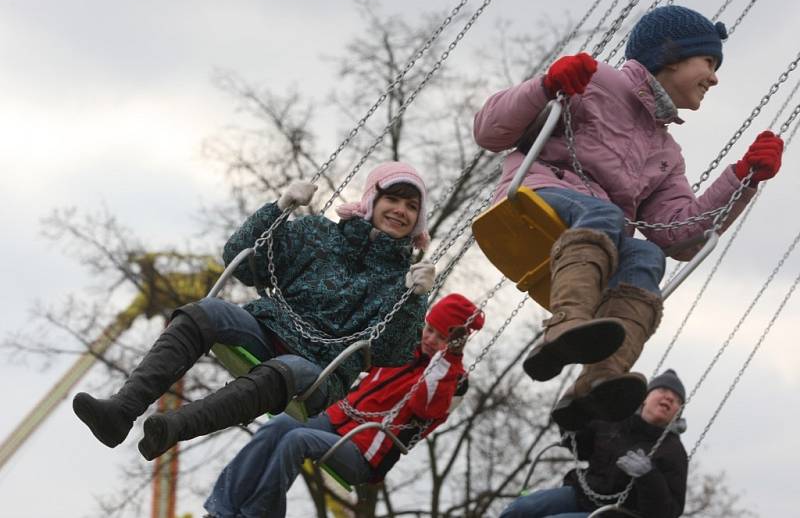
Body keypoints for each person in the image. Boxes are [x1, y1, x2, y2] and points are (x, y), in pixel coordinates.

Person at [472, 5, 784, 429]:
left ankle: (602, 377)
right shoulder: (596, 81)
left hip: (592, 240)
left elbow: (677, 237)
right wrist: (547, 87)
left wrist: (742, 180)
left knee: (646, 257)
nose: (714, 77)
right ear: (670, 55)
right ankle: (567, 324)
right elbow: (490, 131)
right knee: (605, 216)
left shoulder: (666, 154)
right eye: (709, 62)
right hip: (538, 199)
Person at [72, 161, 437, 461]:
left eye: (411, 207)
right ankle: (120, 412)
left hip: (320, 371)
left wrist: (416, 298)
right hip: (269, 327)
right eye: (395, 199)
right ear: (373, 199)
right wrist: (277, 210)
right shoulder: (317, 234)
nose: (401, 211)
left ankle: (173, 428)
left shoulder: (400, 284)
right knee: (207, 311)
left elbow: (394, 352)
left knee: (286, 370)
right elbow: (241, 261)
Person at [202, 293, 484, 518]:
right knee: (278, 425)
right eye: (430, 330)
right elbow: (378, 332)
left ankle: (257, 514)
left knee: (296, 440)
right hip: (337, 419)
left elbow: (427, 408)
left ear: (455, 343)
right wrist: (413, 293)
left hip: (366, 452)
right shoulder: (405, 347)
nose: (431, 340)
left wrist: (449, 359)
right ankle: (222, 509)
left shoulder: (453, 379)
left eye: (442, 338)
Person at [500, 369, 688, 518]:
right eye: (663, 391)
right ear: (645, 398)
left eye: (677, 399)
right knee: (520, 510)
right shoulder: (617, 419)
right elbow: (581, 447)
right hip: (584, 495)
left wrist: (648, 476)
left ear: (677, 413)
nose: (670, 398)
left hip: (618, 514)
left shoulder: (673, 452)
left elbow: (667, 512)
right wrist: (570, 419)